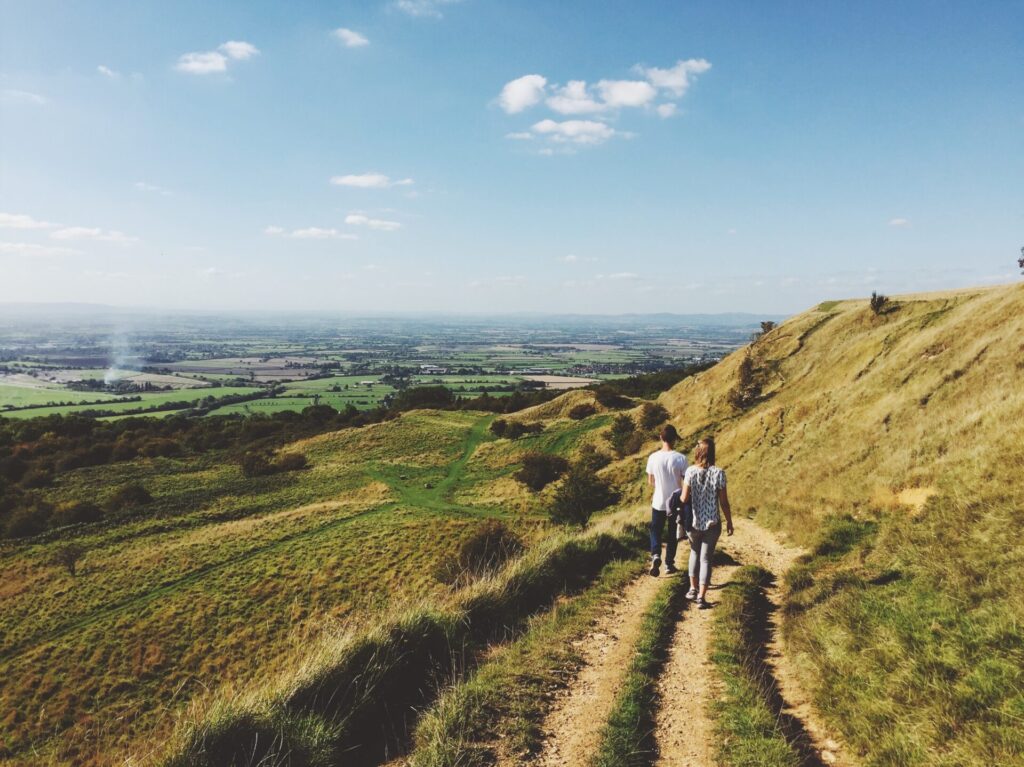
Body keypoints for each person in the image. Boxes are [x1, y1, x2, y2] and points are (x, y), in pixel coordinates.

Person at [679, 437, 733, 608]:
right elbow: (724, 502)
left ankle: (692, 588)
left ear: (698, 452)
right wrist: (730, 522)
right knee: (706, 559)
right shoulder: (719, 473)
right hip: (712, 522)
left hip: (693, 521)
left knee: (694, 553)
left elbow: (684, 497)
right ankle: (701, 597)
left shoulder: (690, 472)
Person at [645, 424, 688, 577]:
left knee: (655, 530)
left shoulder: (653, 457)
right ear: (675, 439)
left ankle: (656, 555)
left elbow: (651, 481)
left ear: (661, 437)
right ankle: (669, 564)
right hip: (675, 502)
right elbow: (686, 483)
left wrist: (661, 485)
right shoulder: (681, 458)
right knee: (672, 534)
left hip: (659, 501)